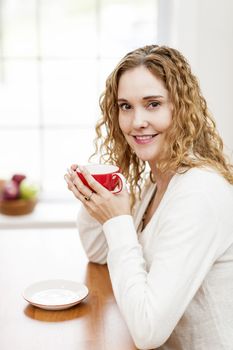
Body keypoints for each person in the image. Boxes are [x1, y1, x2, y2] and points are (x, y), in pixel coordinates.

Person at [64, 45, 233, 350]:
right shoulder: (157, 180)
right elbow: (99, 254)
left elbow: (147, 331)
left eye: (152, 104)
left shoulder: (198, 194)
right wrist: (94, 203)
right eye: (125, 106)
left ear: (181, 108)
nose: (136, 121)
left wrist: (117, 219)